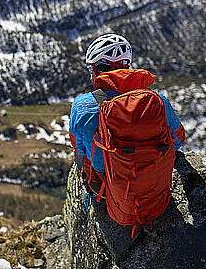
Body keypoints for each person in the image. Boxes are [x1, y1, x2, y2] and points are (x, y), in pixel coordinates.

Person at [69, 33, 185, 203]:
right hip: (153, 190)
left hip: (106, 192)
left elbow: (79, 149)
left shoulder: (81, 105)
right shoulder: (157, 100)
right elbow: (178, 139)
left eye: (90, 69)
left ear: (97, 69)